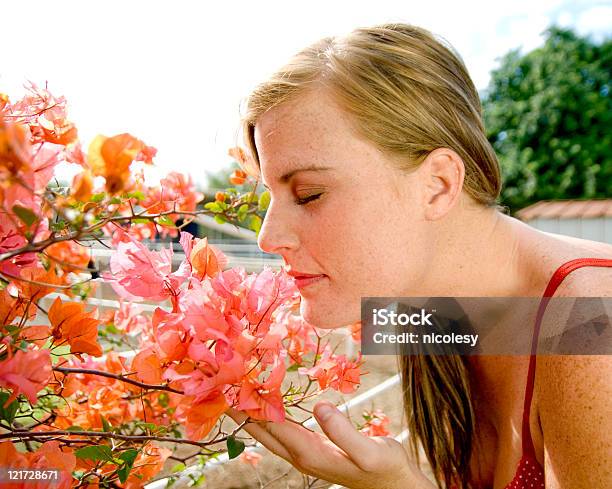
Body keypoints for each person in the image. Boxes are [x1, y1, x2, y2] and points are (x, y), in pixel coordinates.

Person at [227, 23, 612, 489]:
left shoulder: (592, 326)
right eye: (271, 194)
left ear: (437, 186)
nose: (268, 237)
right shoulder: (429, 315)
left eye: (309, 194)